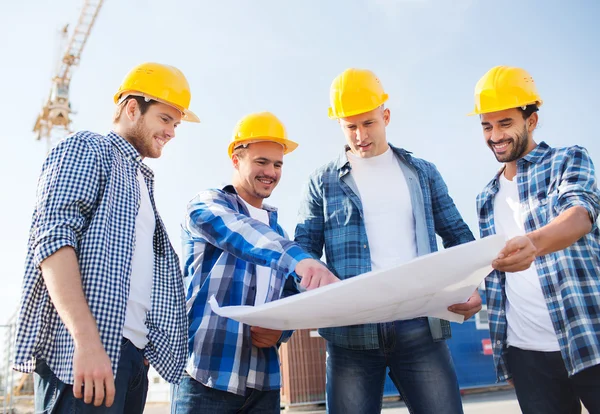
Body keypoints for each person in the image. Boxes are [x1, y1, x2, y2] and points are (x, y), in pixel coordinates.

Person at [13, 62, 199, 413]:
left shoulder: (140, 180)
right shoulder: (89, 148)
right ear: (132, 108)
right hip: (87, 357)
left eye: (176, 124)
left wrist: (140, 354)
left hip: (129, 359)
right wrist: (86, 340)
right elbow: (53, 239)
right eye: (165, 119)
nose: (172, 132)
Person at [295, 68, 481, 414]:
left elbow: (458, 235)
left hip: (420, 329)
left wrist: (471, 285)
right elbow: (304, 248)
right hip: (350, 335)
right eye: (350, 126)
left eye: (368, 123)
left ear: (386, 116)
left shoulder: (423, 173)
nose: (360, 135)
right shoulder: (321, 181)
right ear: (339, 125)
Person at [171, 111, 339, 413]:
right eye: (261, 162)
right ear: (236, 159)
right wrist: (302, 260)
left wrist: (281, 332)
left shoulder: (278, 234)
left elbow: (290, 299)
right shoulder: (207, 204)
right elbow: (241, 233)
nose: (271, 172)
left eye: (278, 164)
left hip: (263, 384)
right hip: (206, 378)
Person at [472, 65, 600, 414]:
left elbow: (580, 214)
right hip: (527, 353)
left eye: (505, 123)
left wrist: (534, 243)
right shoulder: (486, 197)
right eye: (487, 125)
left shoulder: (568, 159)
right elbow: (495, 274)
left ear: (531, 120)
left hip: (588, 336)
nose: (495, 135)